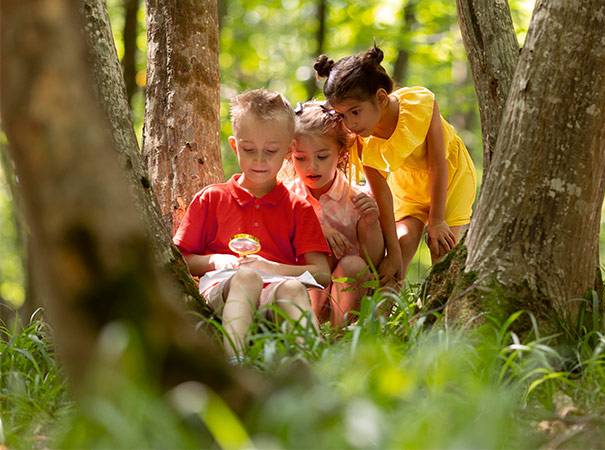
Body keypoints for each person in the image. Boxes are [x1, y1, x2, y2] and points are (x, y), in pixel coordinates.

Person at [173, 89, 331, 357]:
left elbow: (322, 273)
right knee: (246, 277)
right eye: (249, 149)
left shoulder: (297, 207)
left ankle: (314, 369)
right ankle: (236, 364)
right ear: (235, 146)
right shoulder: (212, 198)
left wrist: (269, 267)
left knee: (292, 289)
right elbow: (180, 259)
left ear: (288, 151)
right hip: (225, 289)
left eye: (271, 151)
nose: (259, 160)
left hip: (273, 294)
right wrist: (217, 261)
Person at [313, 46, 477, 285]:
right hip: (408, 189)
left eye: (355, 112)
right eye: (343, 116)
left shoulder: (420, 104)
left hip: (450, 180)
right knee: (399, 249)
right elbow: (382, 195)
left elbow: (438, 164)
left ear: (380, 98)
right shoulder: (361, 140)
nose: (350, 124)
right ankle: (382, 317)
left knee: (442, 249)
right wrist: (395, 255)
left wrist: (438, 219)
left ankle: (440, 315)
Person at [285, 100, 384, 327]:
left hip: (348, 293)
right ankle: (309, 335)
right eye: (301, 158)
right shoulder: (286, 197)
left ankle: (340, 342)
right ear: (290, 154)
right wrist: (315, 229)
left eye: (322, 156)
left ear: (340, 154)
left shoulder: (355, 198)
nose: (312, 166)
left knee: (354, 265)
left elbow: (374, 260)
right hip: (305, 295)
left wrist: (371, 223)